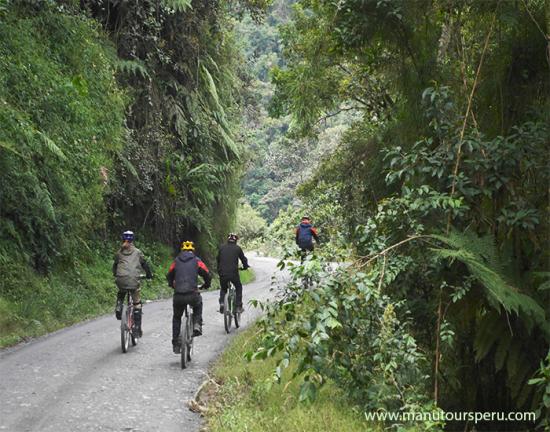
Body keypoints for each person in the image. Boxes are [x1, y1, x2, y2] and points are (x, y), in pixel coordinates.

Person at [166, 240, 211, 353]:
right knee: (198, 303)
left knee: (177, 317)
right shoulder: (197, 261)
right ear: (193, 250)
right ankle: (196, 324)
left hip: (179, 295)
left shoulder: (176, 261)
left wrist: (172, 284)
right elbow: (206, 273)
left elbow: (169, 274)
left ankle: (176, 343)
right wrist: (206, 284)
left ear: (182, 250)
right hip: (192, 294)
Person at [113, 230, 153, 338]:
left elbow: (115, 265)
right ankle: (136, 329)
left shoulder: (119, 253)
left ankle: (119, 306)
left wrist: (115, 275)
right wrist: (149, 275)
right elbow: (145, 265)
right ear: (133, 240)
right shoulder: (138, 252)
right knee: (137, 303)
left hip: (121, 279)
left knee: (121, 291)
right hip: (134, 281)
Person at [217, 233, 249, 314]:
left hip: (222, 273)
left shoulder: (221, 247)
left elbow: (218, 259)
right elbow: (243, 259)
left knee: (223, 288)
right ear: (236, 241)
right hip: (233, 273)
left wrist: (219, 269)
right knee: (238, 287)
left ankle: (222, 303)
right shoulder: (237, 248)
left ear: (227, 240)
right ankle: (238, 306)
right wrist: (245, 267)